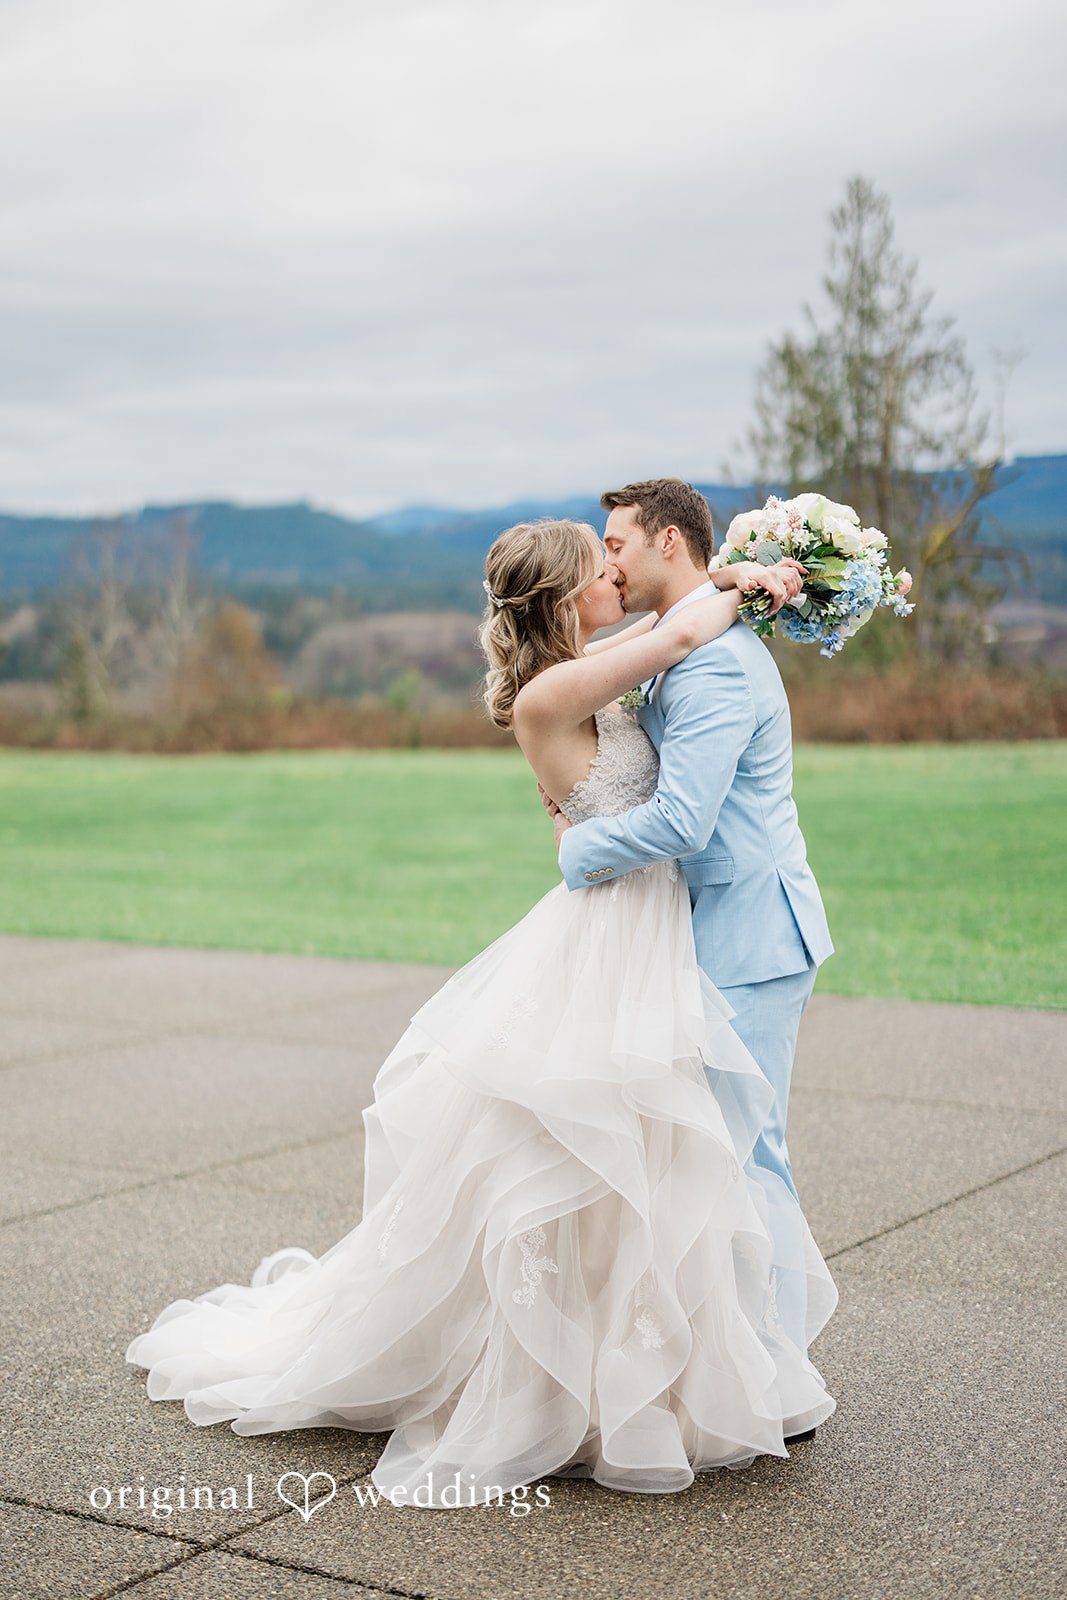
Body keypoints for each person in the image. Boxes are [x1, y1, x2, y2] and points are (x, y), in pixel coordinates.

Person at [125, 516, 837, 1509]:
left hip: (644, 931)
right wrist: (758, 581)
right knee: (579, 1154)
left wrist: (734, 578)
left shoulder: (587, 664)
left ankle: (653, 1365)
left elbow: (667, 643)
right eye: (598, 571)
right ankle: (566, 1379)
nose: (614, 578)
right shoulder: (553, 690)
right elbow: (675, 638)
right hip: (610, 930)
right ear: (560, 600)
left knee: (646, 1156)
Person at [551, 480, 834, 1387]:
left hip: (750, 931)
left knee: (747, 1155)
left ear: (667, 542)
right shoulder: (692, 640)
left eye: (617, 544)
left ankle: (774, 1373)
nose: (609, 564)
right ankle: (729, 1362)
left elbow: (683, 823)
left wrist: (577, 848)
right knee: (715, 1153)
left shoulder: (710, 664)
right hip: (711, 928)